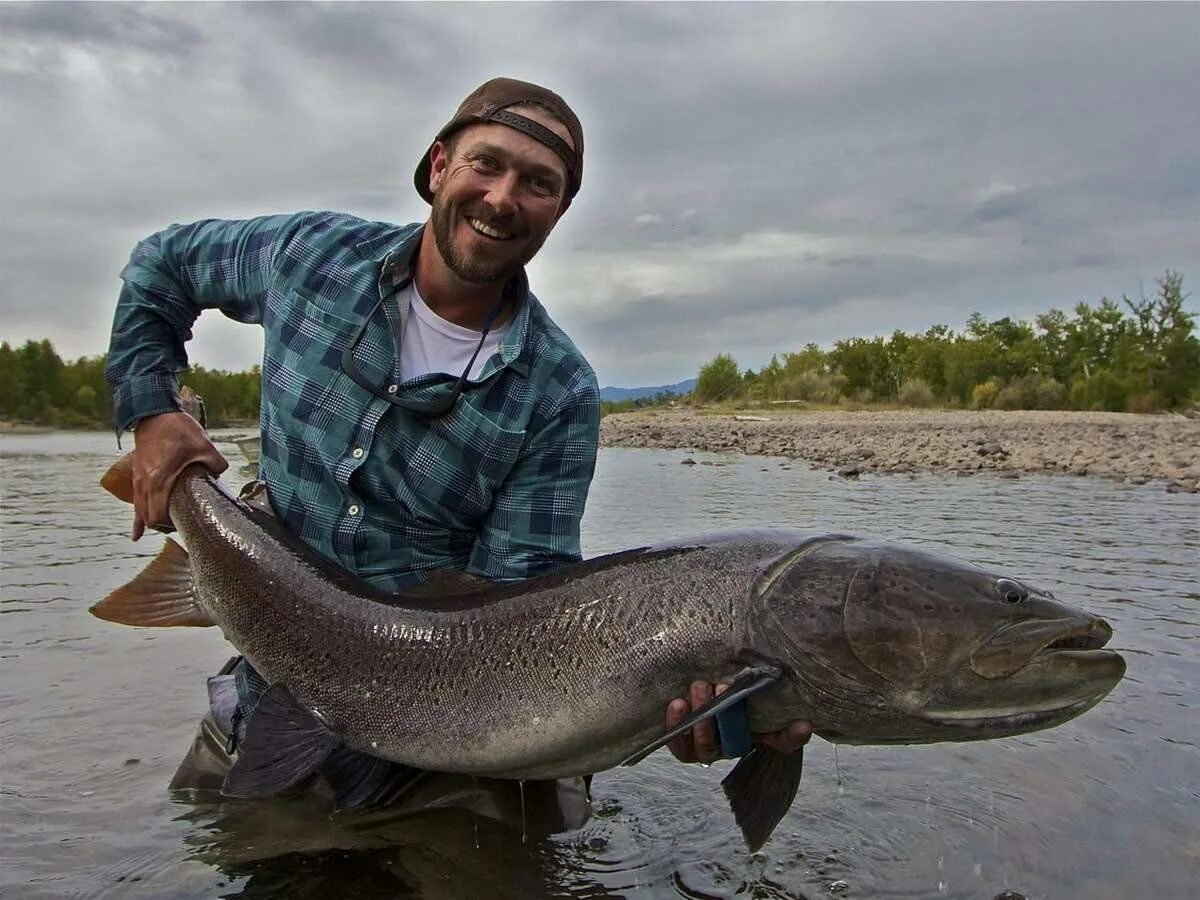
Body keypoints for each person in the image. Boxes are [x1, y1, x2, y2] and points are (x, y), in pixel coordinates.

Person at [105, 77, 809, 832]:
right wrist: (153, 413)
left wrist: (653, 707)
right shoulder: (307, 256)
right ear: (439, 167)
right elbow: (160, 266)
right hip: (273, 683)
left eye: (538, 183)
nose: (504, 197)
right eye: (487, 164)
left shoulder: (559, 391)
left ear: (559, 211)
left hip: (453, 754)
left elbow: (525, 611)